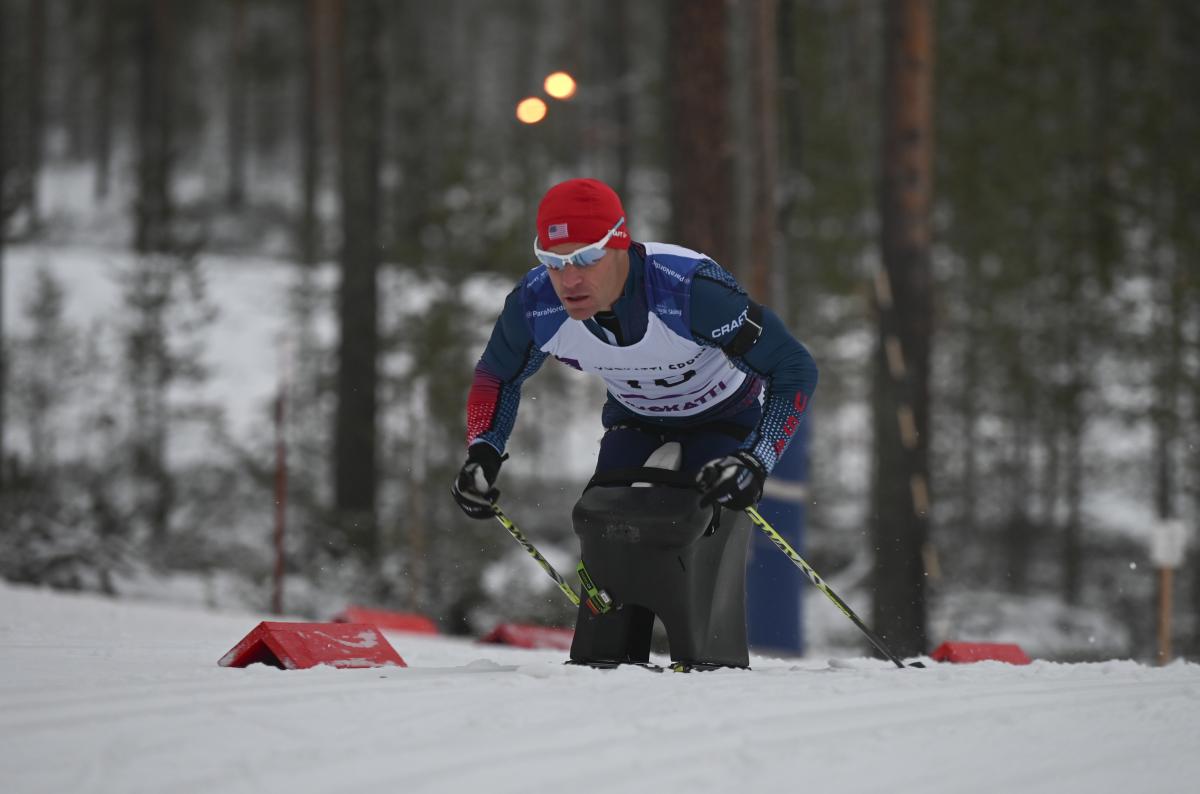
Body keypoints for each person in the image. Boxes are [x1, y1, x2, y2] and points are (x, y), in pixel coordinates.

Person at [451, 176, 817, 612]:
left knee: (697, 525)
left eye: (586, 258)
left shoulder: (688, 291)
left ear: (620, 243)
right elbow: (497, 375)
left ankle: (708, 653)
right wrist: (483, 453)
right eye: (552, 261)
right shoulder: (536, 305)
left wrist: (756, 460)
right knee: (602, 519)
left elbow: (794, 368)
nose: (569, 280)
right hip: (636, 418)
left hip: (725, 414)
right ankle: (610, 645)